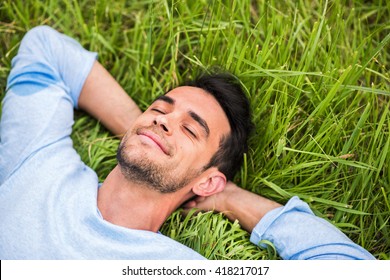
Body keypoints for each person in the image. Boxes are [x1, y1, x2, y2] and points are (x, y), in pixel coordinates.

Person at [0, 26, 375, 260]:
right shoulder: (39, 160)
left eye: (190, 130)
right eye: (159, 109)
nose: (163, 119)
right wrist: (144, 130)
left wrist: (231, 198)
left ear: (208, 180)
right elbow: (46, 49)